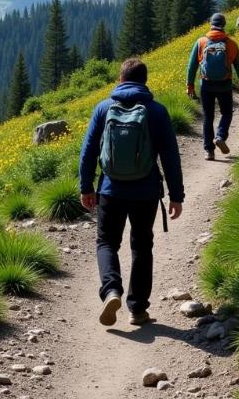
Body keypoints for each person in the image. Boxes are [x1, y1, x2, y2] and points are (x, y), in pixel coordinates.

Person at [79, 57, 184, 328]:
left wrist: (86, 187)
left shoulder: (103, 108)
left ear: (120, 79)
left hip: (110, 190)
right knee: (141, 246)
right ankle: (137, 310)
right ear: (144, 81)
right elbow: (170, 156)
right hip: (145, 191)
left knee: (106, 243)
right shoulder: (156, 111)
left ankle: (111, 290)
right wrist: (176, 195)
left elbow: (89, 150)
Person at [186, 13, 239, 161]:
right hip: (224, 85)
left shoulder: (201, 41)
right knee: (226, 113)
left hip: (206, 84)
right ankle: (220, 136)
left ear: (211, 24)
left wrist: (190, 85)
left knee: (208, 117)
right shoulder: (231, 44)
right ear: (224, 25)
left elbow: (191, 66)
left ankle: (209, 151)